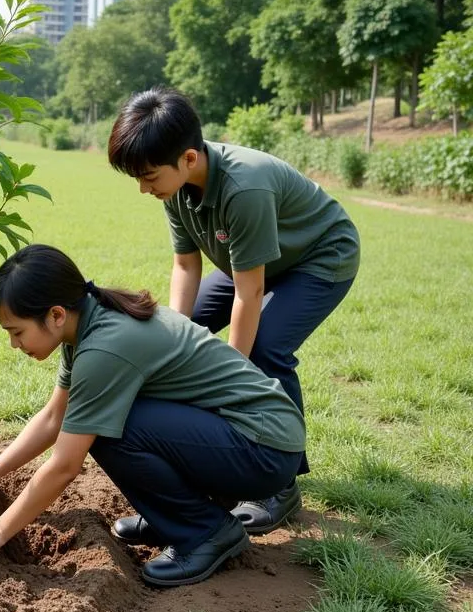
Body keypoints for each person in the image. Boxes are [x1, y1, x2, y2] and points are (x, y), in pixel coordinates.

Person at [0, 245, 305, 587]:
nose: (14, 344)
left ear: (55, 315)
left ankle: (203, 531)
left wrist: (1, 528)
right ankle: (176, 518)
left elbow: (64, 465)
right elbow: (55, 416)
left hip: (263, 450)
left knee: (107, 430)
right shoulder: (87, 322)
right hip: (250, 438)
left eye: (16, 332)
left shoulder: (105, 347)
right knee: (104, 419)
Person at [107, 87, 360, 534]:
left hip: (317, 257)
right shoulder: (177, 189)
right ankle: (202, 464)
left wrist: (230, 382)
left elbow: (250, 293)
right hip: (250, 260)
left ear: (187, 158)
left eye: (148, 177)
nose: (144, 189)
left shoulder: (245, 186)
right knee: (177, 337)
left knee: (265, 347)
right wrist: (177, 338)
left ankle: (280, 485)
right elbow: (186, 264)